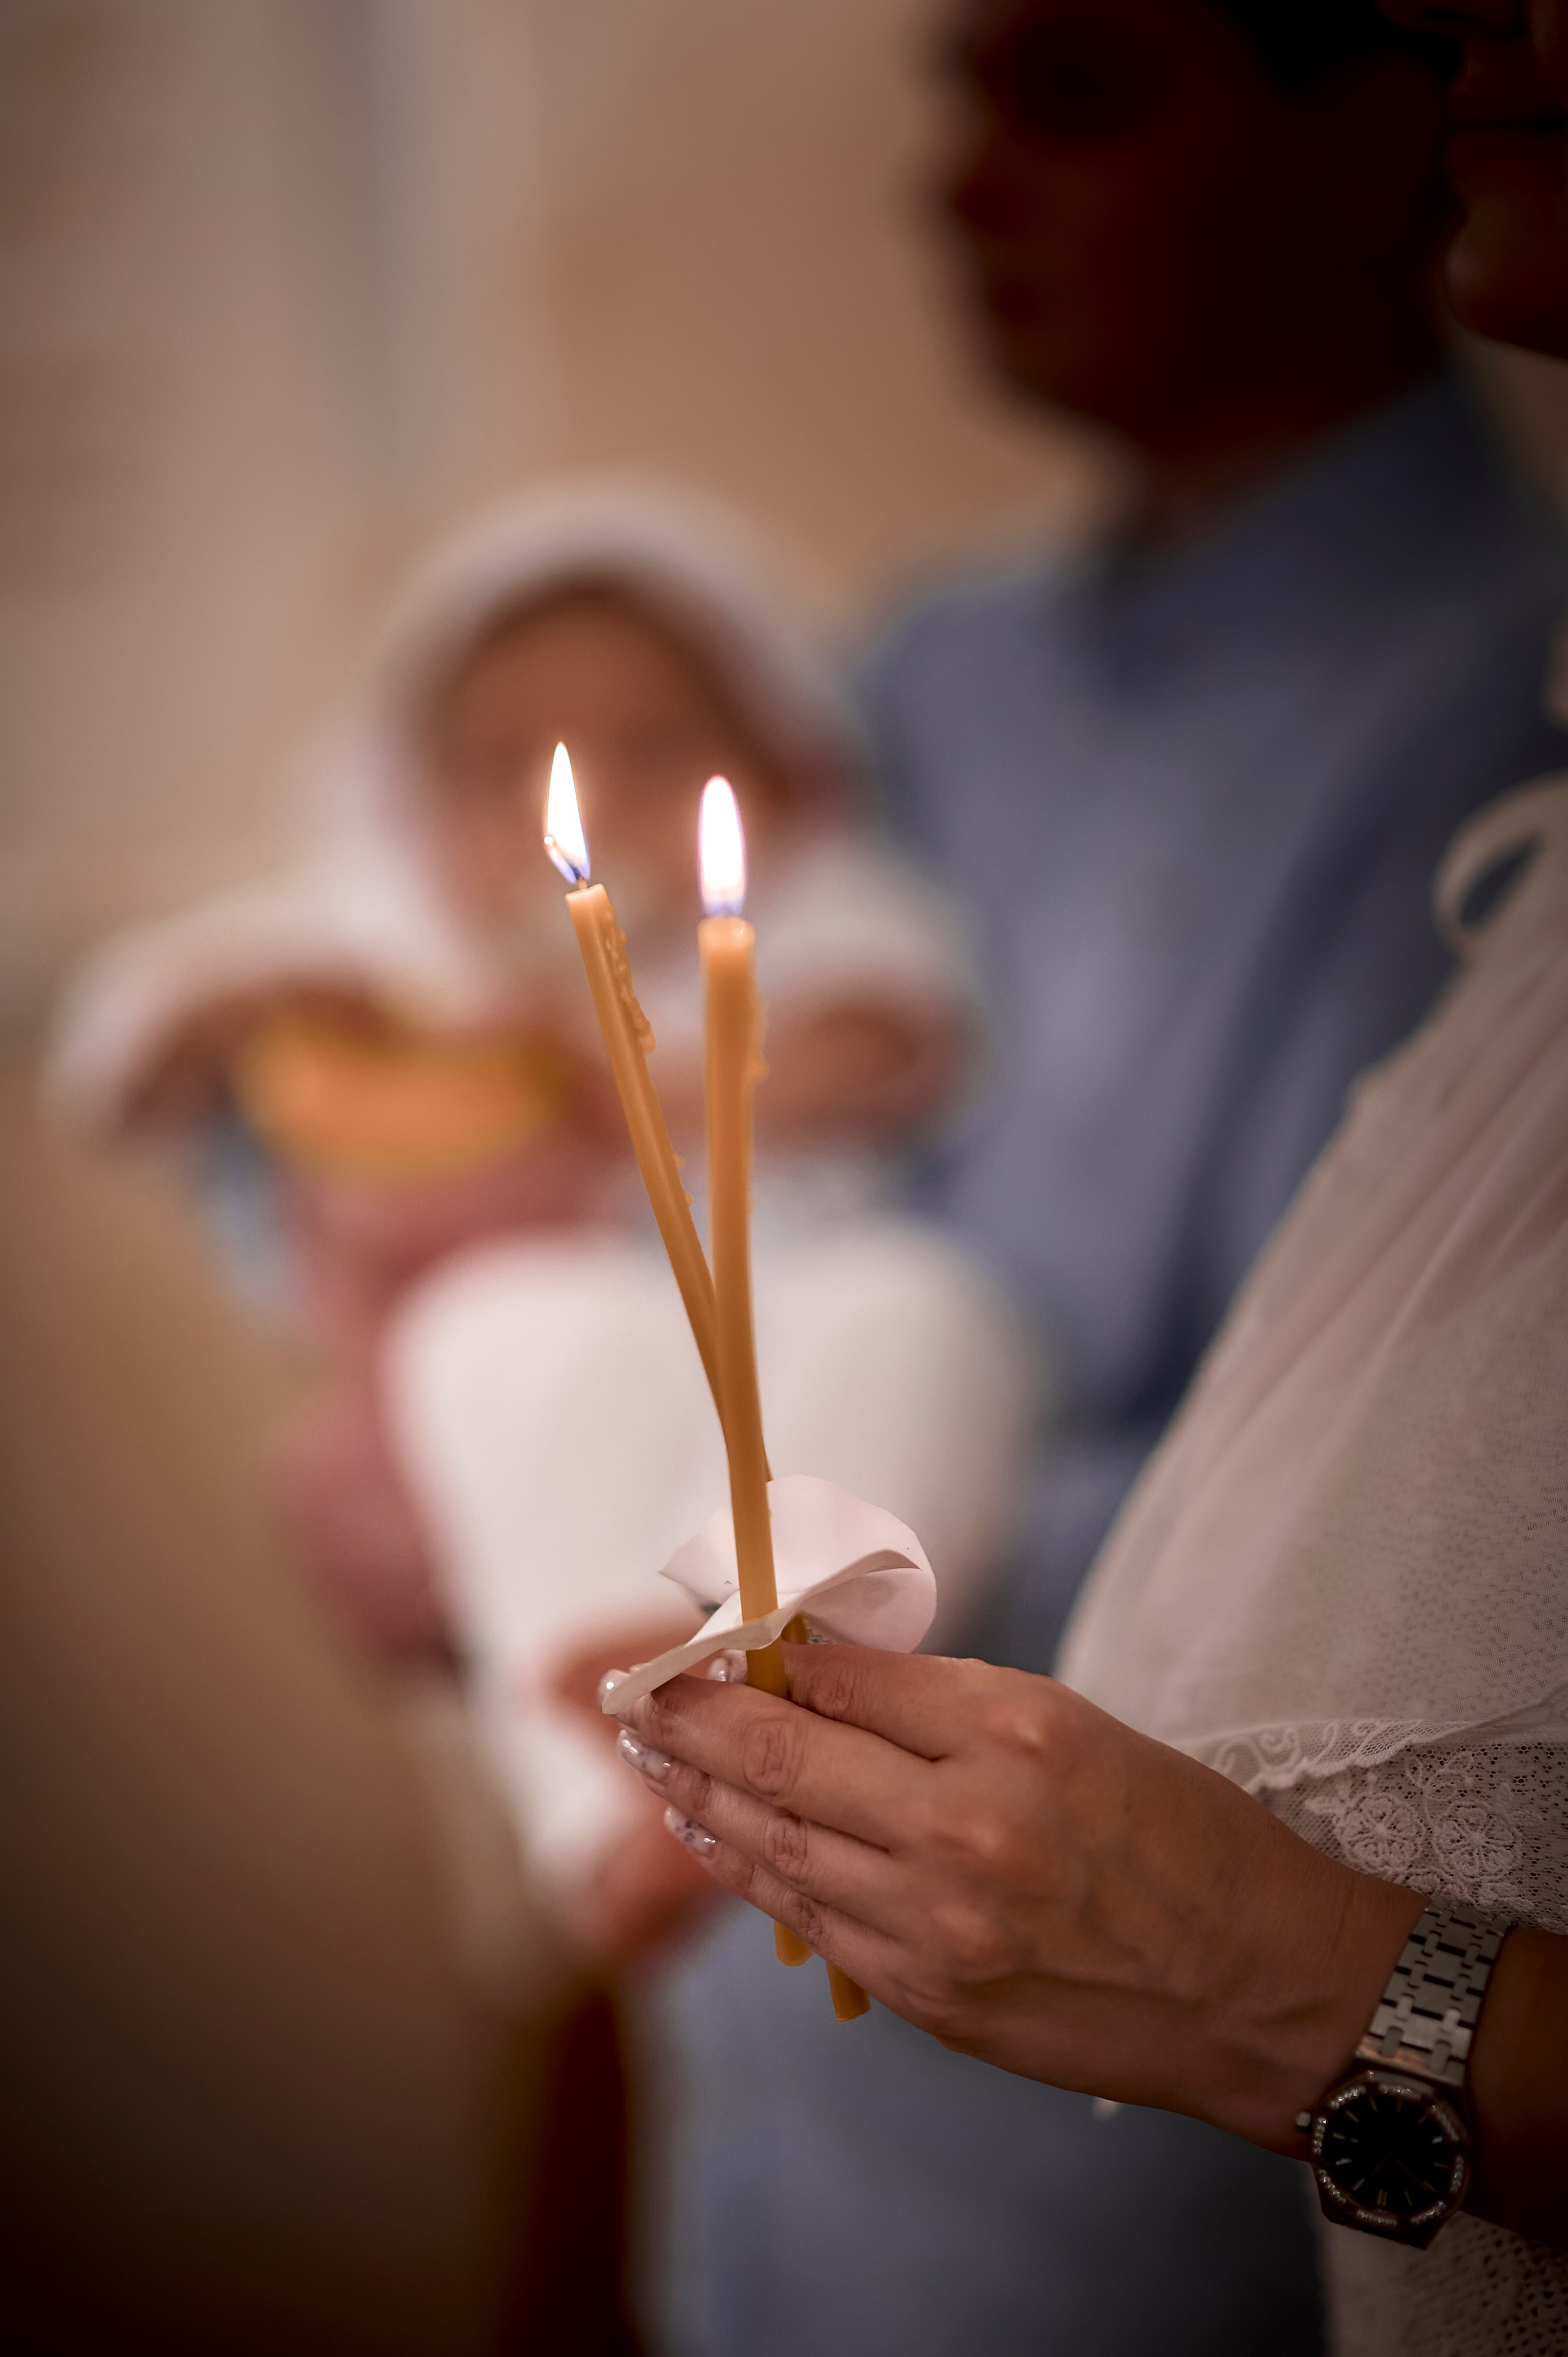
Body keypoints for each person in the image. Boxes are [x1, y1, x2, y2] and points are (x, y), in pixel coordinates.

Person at [608, 4, 1568, 2351]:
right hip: (748, 2048)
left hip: (1095, 2154)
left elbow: (1318, 1519)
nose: (953, 185)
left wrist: (654, 1540)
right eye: (961, 92)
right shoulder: (931, 671)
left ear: (1374, 128)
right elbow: (656, 1135)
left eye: (1078, 95)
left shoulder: (1482, 697)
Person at [50, 482, 1037, 1930]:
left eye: (658, 743)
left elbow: (894, 1040)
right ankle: (599, 1817)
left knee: (940, 1319)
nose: (573, 800)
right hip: (559, 1379)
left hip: (784, 1331)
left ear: (777, 763)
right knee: (483, 1334)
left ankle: (808, 1644)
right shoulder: (398, 942)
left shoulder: (798, 903)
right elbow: (118, 1043)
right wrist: (240, 1011)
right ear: (409, 798)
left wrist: (665, 1081)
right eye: (493, 762)